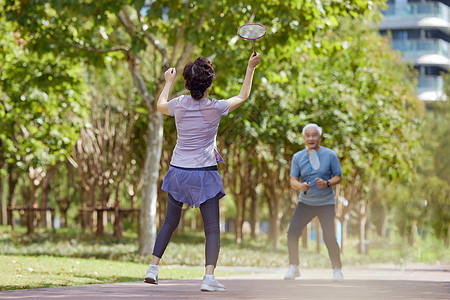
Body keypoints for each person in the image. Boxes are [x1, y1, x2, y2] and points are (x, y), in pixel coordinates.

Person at [144, 52, 261, 292]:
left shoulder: (178, 104)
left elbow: (159, 105)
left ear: (187, 83)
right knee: (212, 229)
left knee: (169, 221)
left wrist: (167, 82)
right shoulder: (215, 108)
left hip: (179, 172)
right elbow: (243, 95)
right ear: (209, 83)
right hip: (204, 173)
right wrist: (251, 67)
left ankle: (152, 269)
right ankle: (208, 278)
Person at [284, 123, 344, 282]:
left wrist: (327, 183)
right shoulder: (298, 157)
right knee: (292, 233)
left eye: (314, 135)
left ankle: (337, 269)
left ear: (320, 137)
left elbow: (338, 177)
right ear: (304, 138)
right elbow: (292, 181)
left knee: (329, 236)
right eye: (308, 135)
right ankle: (294, 266)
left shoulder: (330, 155)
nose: (311, 138)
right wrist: (300, 186)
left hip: (326, 203)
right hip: (306, 202)